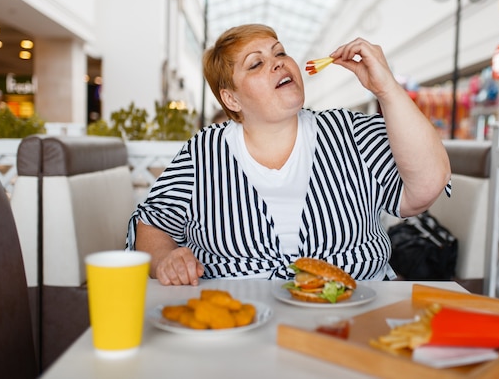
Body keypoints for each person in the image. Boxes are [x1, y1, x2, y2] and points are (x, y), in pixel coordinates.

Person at [126, 24, 451, 286]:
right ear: (232, 99)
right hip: (238, 325)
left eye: (280, 52)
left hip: (353, 317)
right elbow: (152, 225)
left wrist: (386, 88)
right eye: (256, 63)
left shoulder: (350, 131)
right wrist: (167, 260)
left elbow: (426, 188)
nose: (278, 62)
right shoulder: (203, 152)